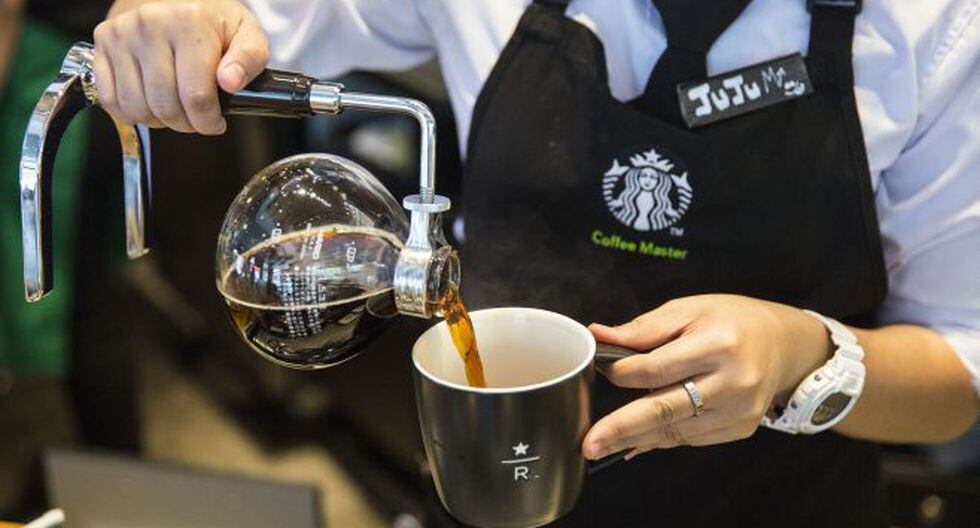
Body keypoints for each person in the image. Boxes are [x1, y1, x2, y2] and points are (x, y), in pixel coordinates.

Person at [89, 0, 979, 525]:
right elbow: (242, 21)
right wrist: (172, 25)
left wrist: (805, 358)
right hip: (489, 494)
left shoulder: (932, 28)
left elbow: (960, 374)